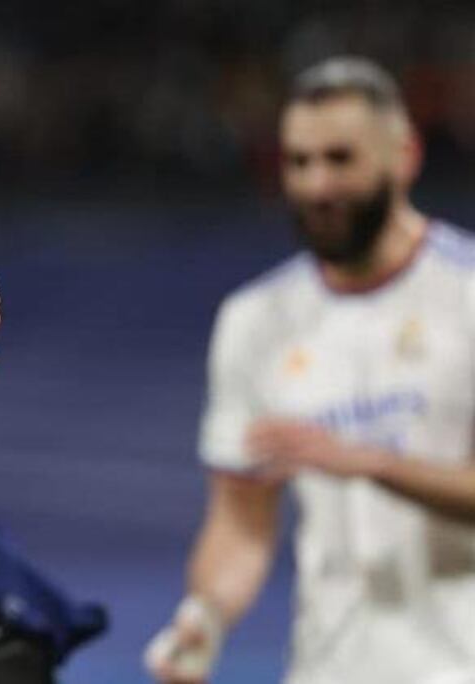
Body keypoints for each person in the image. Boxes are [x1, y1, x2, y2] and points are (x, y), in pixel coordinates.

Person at [145, 56, 475, 684]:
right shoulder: (255, 320)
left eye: (340, 159)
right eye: (299, 162)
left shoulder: (466, 294)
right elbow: (241, 522)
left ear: (404, 156)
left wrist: (371, 462)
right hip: (327, 667)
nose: (317, 185)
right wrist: (205, 615)